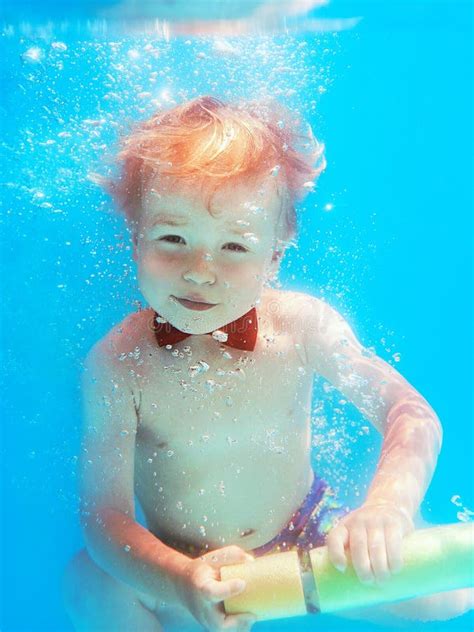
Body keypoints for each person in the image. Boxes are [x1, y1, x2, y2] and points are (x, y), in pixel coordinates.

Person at [62, 96, 473, 631]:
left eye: (234, 245)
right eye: (173, 239)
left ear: (275, 257)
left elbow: (409, 411)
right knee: (86, 583)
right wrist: (182, 581)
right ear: (136, 241)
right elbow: (104, 518)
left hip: (309, 536)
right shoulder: (117, 364)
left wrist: (386, 508)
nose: (201, 272)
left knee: (447, 597)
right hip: (193, 572)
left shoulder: (303, 325)